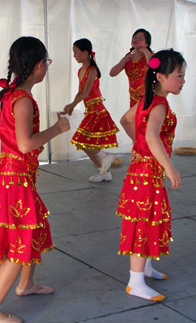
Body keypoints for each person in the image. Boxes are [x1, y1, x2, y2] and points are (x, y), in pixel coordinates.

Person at [0, 36, 70, 323]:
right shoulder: (23, 99)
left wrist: (14, 143)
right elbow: (27, 144)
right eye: (47, 63)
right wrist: (57, 129)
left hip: (11, 175)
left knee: (35, 228)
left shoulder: (11, 94)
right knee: (18, 247)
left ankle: (26, 284)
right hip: (14, 180)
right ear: (39, 65)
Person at [116, 49, 185, 302]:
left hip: (141, 171)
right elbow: (151, 135)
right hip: (147, 175)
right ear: (162, 77)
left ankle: (144, 268)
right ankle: (135, 282)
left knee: (148, 220)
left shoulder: (146, 99)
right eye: (179, 75)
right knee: (143, 223)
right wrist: (169, 167)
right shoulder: (159, 104)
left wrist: (141, 148)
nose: (183, 80)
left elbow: (125, 120)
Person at [61, 38, 119, 182]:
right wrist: (72, 105)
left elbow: (86, 92)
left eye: (76, 52)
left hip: (97, 111)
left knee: (82, 141)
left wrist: (72, 105)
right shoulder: (81, 71)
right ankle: (104, 171)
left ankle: (105, 157)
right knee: (85, 143)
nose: (74, 55)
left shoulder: (92, 70)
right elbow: (80, 91)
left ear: (85, 52)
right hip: (91, 111)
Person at [110, 29, 153, 108]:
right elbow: (112, 73)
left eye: (140, 38)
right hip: (133, 99)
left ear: (147, 43)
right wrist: (124, 61)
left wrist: (144, 50)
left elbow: (153, 65)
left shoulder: (151, 56)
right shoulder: (129, 56)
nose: (136, 40)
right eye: (135, 37)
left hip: (147, 98)